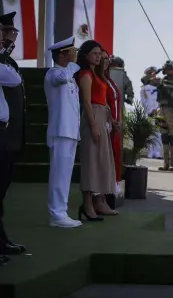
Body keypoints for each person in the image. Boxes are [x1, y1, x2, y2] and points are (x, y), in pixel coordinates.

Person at [76, 40, 116, 221]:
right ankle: (87, 203)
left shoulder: (98, 75)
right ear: (85, 55)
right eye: (94, 53)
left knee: (102, 161)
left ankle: (100, 201)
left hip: (102, 117)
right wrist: (93, 125)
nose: (98, 56)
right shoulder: (85, 74)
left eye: (100, 53)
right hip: (92, 117)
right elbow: (86, 101)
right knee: (91, 161)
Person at [45, 36, 82, 228]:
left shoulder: (68, 75)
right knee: (59, 174)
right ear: (62, 55)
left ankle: (62, 211)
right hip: (60, 131)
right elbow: (62, 77)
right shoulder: (54, 73)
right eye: (72, 52)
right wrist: (73, 63)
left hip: (69, 132)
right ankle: (56, 214)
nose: (76, 55)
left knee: (65, 175)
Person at [0, 12, 27, 263]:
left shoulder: (9, 63)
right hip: (3, 135)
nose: (10, 38)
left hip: (10, 134)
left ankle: (2, 238)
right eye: (8, 33)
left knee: (3, 190)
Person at [103, 50, 123, 193]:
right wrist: (111, 121)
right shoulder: (98, 79)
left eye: (106, 58)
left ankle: (113, 186)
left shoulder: (109, 79)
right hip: (106, 123)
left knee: (116, 154)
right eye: (101, 58)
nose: (105, 61)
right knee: (106, 157)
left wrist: (119, 119)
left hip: (115, 123)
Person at [140, 71, 162, 159]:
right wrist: (150, 110)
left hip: (158, 113)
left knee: (158, 134)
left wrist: (157, 109)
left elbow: (161, 100)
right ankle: (150, 152)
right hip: (149, 113)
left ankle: (157, 153)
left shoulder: (160, 88)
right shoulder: (144, 88)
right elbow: (144, 101)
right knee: (150, 134)